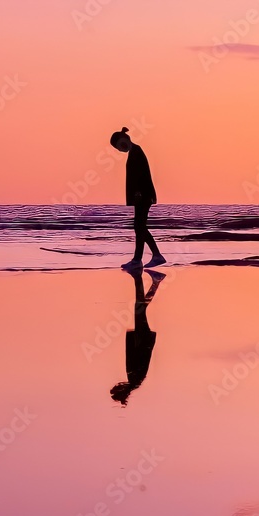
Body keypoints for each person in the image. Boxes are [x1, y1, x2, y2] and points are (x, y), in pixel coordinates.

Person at [110, 127, 165, 270]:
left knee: (139, 226)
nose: (119, 150)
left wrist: (138, 193)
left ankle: (155, 255)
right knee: (139, 227)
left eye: (118, 147)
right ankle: (138, 259)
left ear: (124, 141)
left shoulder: (136, 152)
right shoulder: (134, 152)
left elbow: (140, 175)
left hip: (143, 196)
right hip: (141, 195)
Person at [111, 269, 165, 406]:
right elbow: (142, 357)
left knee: (140, 308)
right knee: (139, 307)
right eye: (117, 388)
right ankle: (141, 278)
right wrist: (140, 338)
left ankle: (153, 281)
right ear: (122, 390)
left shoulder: (134, 381)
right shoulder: (135, 380)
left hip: (142, 339)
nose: (117, 385)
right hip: (142, 339)